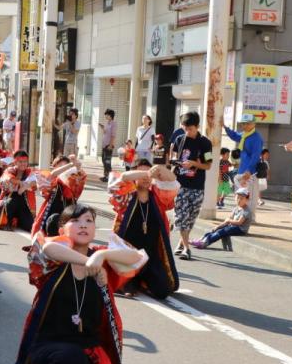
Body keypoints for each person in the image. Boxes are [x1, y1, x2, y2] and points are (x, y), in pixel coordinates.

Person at [1, 204, 147, 364]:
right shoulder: (52, 259)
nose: (83, 225)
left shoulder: (102, 257)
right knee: (70, 357)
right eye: (76, 221)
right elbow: (46, 247)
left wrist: (102, 255)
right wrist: (90, 263)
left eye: (89, 221)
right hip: (48, 346)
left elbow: (137, 257)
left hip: (90, 349)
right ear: (62, 228)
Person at [108, 160, 180, 298]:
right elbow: (122, 178)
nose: (147, 178)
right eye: (141, 174)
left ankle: (142, 279)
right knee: (127, 287)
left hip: (150, 255)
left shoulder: (158, 196)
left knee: (163, 290)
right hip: (127, 254)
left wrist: (159, 168)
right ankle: (131, 280)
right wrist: (146, 172)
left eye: (149, 174)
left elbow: (173, 182)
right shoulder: (126, 195)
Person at [170, 111, 213, 260]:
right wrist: (175, 162)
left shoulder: (205, 143)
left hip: (197, 186)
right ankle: (187, 249)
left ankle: (182, 243)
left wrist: (193, 163)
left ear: (197, 126)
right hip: (180, 185)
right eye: (185, 128)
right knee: (181, 216)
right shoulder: (179, 140)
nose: (187, 132)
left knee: (190, 218)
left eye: (190, 129)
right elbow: (173, 157)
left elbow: (208, 165)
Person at [31, 155, 86, 238]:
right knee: (52, 221)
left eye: (65, 165)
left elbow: (79, 185)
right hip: (52, 209)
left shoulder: (72, 179)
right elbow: (53, 175)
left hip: (68, 210)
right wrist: (70, 165)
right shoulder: (52, 178)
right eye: (60, 166)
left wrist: (77, 167)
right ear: (55, 167)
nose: (64, 168)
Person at [192, 187, 254, 251]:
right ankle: (201, 239)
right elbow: (228, 220)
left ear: (247, 200)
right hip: (233, 226)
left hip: (240, 229)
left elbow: (239, 222)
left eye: (241, 198)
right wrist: (218, 226)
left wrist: (229, 220)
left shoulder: (246, 211)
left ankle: (204, 243)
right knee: (216, 230)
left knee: (222, 231)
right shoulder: (236, 208)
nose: (239, 200)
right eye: (237, 197)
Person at [0, 150, 38, 231]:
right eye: (20, 161)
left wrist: (24, 186)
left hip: (25, 202)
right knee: (12, 201)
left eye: (25, 161)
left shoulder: (29, 172)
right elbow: (6, 180)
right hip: (9, 200)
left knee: (30, 226)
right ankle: (8, 222)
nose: (23, 164)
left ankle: (19, 220)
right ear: (15, 162)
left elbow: (35, 183)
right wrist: (20, 183)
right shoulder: (9, 170)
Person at [225, 113, 263, 207]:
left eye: (248, 123)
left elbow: (255, 156)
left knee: (250, 197)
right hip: (242, 170)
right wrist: (225, 127)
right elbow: (234, 135)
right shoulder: (244, 135)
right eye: (243, 124)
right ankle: (240, 215)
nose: (245, 126)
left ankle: (249, 217)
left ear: (254, 124)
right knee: (240, 195)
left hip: (250, 173)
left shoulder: (256, 138)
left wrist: (249, 170)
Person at [100, 108, 117, 182]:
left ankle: (110, 177)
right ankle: (105, 176)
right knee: (103, 160)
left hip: (109, 145)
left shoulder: (113, 124)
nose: (105, 116)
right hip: (104, 145)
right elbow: (105, 132)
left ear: (110, 115)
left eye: (107, 114)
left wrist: (111, 145)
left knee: (107, 161)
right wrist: (103, 128)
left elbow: (113, 135)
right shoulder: (107, 123)